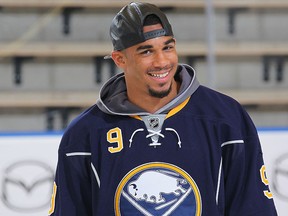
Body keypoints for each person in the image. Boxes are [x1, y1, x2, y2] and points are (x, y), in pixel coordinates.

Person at [48, 2, 277, 215]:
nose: (161, 62)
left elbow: (253, 208)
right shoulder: (84, 135)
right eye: (146, 51)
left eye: (167, 47)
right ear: (120, 59)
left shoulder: (226, 118)